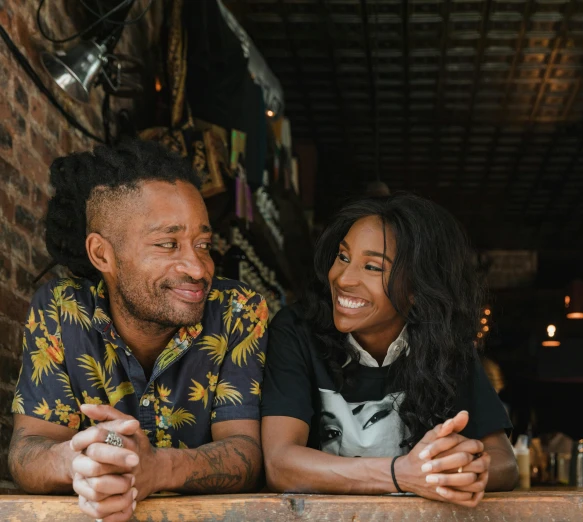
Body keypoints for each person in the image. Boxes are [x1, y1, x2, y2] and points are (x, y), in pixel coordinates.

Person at [9, 140, 268, 522]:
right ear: (102, 255)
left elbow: (246, 453)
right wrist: (79, 460)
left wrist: (156, 468)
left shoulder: (236, 312)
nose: (198, 268)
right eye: (168, 244)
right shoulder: (62, 310)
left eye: (203, 244)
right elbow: (26, 450)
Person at [261, 194, 518, 507]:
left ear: (416, 288)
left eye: (371, 267)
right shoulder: (296, 331)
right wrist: (402, 475)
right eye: (343, 257)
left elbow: (504, 461)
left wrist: (453, 473)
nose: (343, 278)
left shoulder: (445, 345)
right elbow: (280, 465)